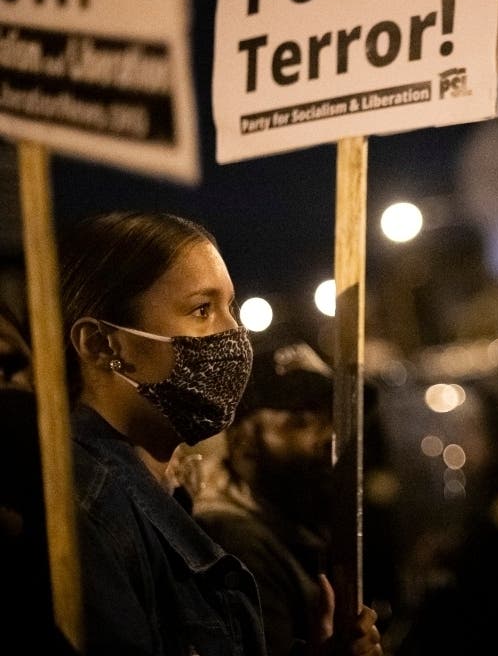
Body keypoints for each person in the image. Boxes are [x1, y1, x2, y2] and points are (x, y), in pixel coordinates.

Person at [59, 210, 382, 656]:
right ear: (101, 344)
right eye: (202, 309)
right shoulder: (85, 516)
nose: (235, 333)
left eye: (230, 307)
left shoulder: (162, 496)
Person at [193, 340, 343, 656]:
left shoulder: (288, 525)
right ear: (244, 441)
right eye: (300, 422)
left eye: (331, 421)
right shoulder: (236, 541)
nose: (328, 437)